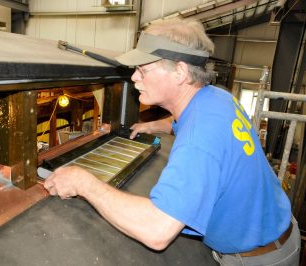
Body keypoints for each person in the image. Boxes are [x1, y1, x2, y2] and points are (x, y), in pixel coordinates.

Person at [44, 18, 300, 265]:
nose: (134, 77)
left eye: (143, 69)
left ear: (180, 72)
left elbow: (158, 231)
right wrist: (154, 125)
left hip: (258, 258)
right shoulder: (217, 99)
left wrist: (83, 182)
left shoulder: (198, 140)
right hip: (277, 231)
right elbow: (188, 124)